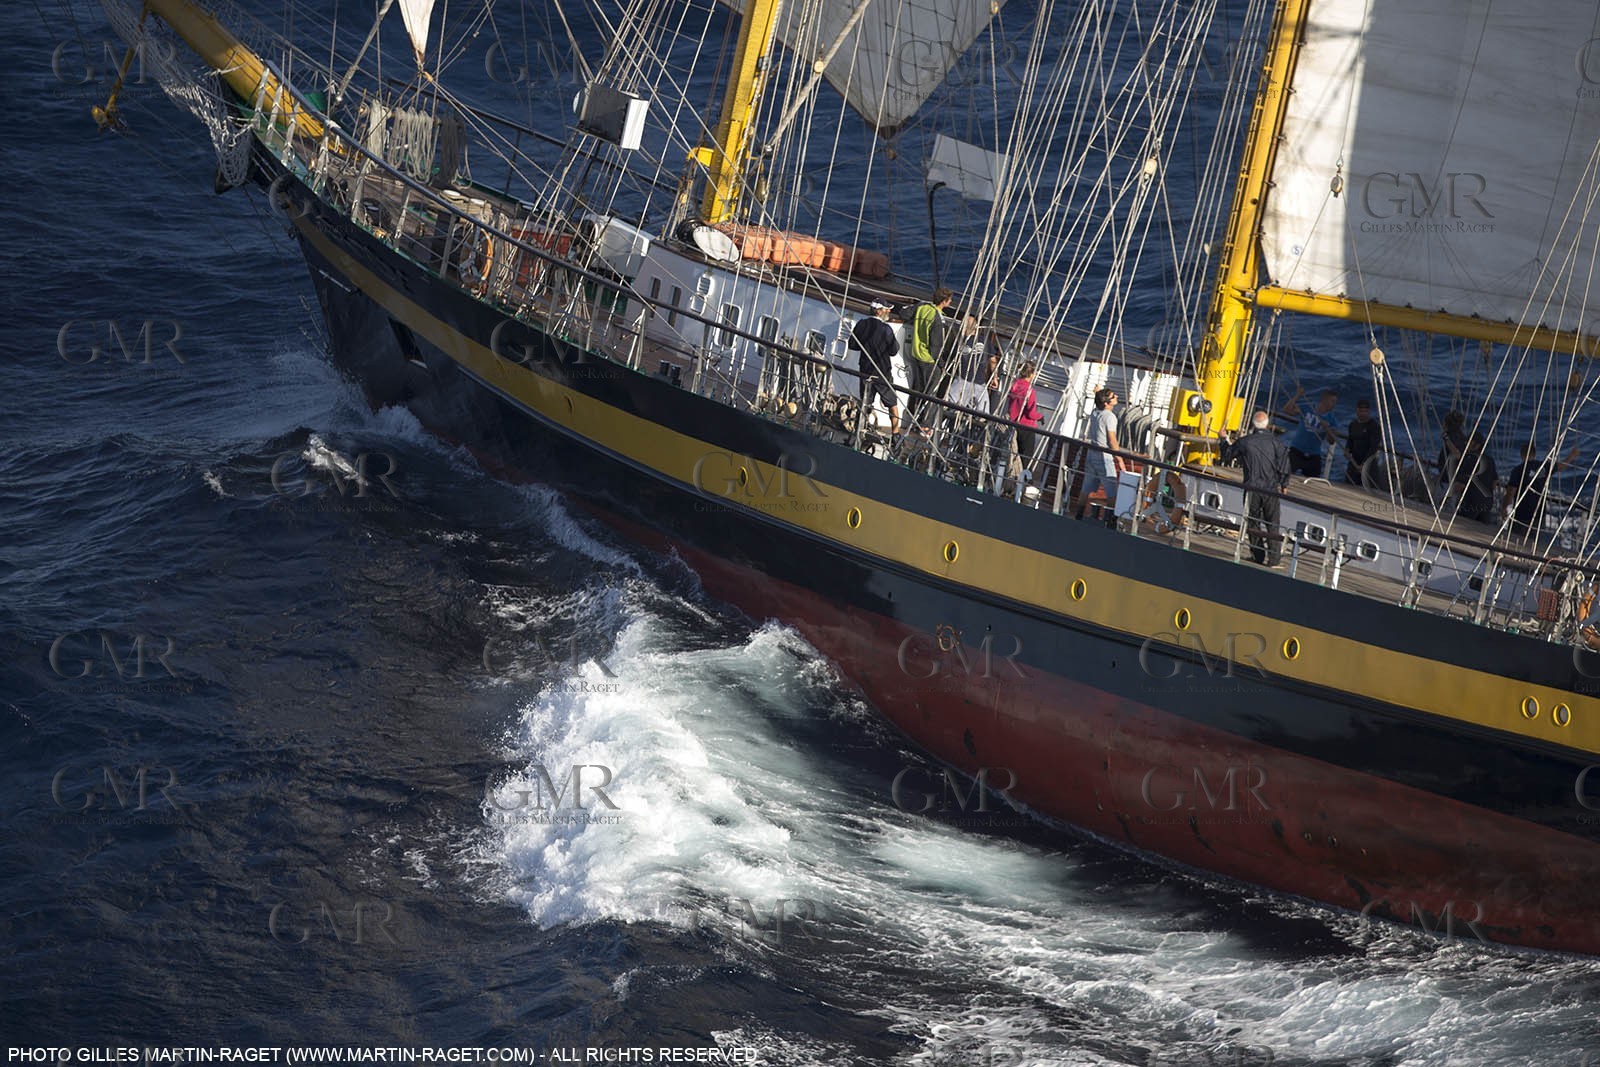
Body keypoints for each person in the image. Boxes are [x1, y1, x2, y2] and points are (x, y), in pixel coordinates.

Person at [1221, 410, 1291, 566]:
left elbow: (1227, 456)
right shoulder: (1277, 443)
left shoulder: (1245, 441)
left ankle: (1257, 555)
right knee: (1272, 523)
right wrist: (1284, 484)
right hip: (1270, 489)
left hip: (1252, 487)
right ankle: (1274, 559)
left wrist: (1223, 440)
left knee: (1252, 522)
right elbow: (1285, 465)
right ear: (1267, 425)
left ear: (1253, 424)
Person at [1504, 441, 1578, 538]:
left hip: (1521, 514)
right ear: (1534, 454)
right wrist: (1572, 456)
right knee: (1534, 542)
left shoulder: (1517, 470)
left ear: (1521, 455)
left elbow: (1510, 493)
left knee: (1515, 539)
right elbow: (1561, 467)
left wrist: (1504, 507)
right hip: (1538, 514)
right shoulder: (1544, 467)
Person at [847, 301, 900, 436]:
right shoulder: (886, 329)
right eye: (887, 310)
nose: (888, 313)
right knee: (892, 403)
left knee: (865, 401)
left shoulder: (861, 324)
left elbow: (852, 345)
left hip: (865, 370)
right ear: (879, 311)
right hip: (882, 372)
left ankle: (859, 430)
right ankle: (895, 434)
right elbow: (894, 351)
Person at [907, 287, 953, 431]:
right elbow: (936, 346)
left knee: (919, 390)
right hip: (929, 360)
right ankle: (925, 425)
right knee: (931, 394)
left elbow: (905, 313)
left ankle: (915, 421)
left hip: (916, 354)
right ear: (944, 301)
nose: (951, 302)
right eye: (949, 300)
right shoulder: (938, 318)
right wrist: (942, 365)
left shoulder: (922, 308)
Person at [1077, 387, 1125, 518]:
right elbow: (1112, 439)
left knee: (1086, 488)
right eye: (1113, 396)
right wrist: (1120, 459)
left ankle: (1078, 515)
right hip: (1104, 457)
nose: (1116, 397)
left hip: (1091, 453)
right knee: (1111, 491)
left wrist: (1097, 392)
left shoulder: (1095, 412)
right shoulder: (1110, 417)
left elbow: (1098, 401)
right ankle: (1110, 520)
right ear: (1106, 403)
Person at [1282, 387, 1338, 477]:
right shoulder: (1308, 408)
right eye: (1332, 401)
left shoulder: (1332, 420)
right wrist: (1298, 395)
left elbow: (1331, 441)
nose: (1334, 404)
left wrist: (1328, 429)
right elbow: (1286, 410)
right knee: (1284, 475)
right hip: (1297, 450)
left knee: (1314, 480)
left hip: (1314, 454)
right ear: (1324, 400)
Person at [1455, 431, 1497, 522]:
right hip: (1486, 503)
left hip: (1470, 503)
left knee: (1463, 523)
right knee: (1481, 527)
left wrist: (1447, 497)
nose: (1466, 444)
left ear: (1477, 445)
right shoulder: (1490, 460)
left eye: (1469, 442)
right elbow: (1494, 483)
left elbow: (1461, 484)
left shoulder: (1469, 459)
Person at [1344, 398, 1382, 485]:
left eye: (1365, 411)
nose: (1363, 414)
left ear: (1369, 411)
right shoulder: (1353, 425)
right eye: (1361, 411)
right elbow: (1350, 441)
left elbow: (1373, 447)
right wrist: (1347, 450)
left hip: (1368, 465)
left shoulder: (1374, 426)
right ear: (1357, 411)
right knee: (1348, 485)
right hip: (1354, 462)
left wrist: (1364, 464)